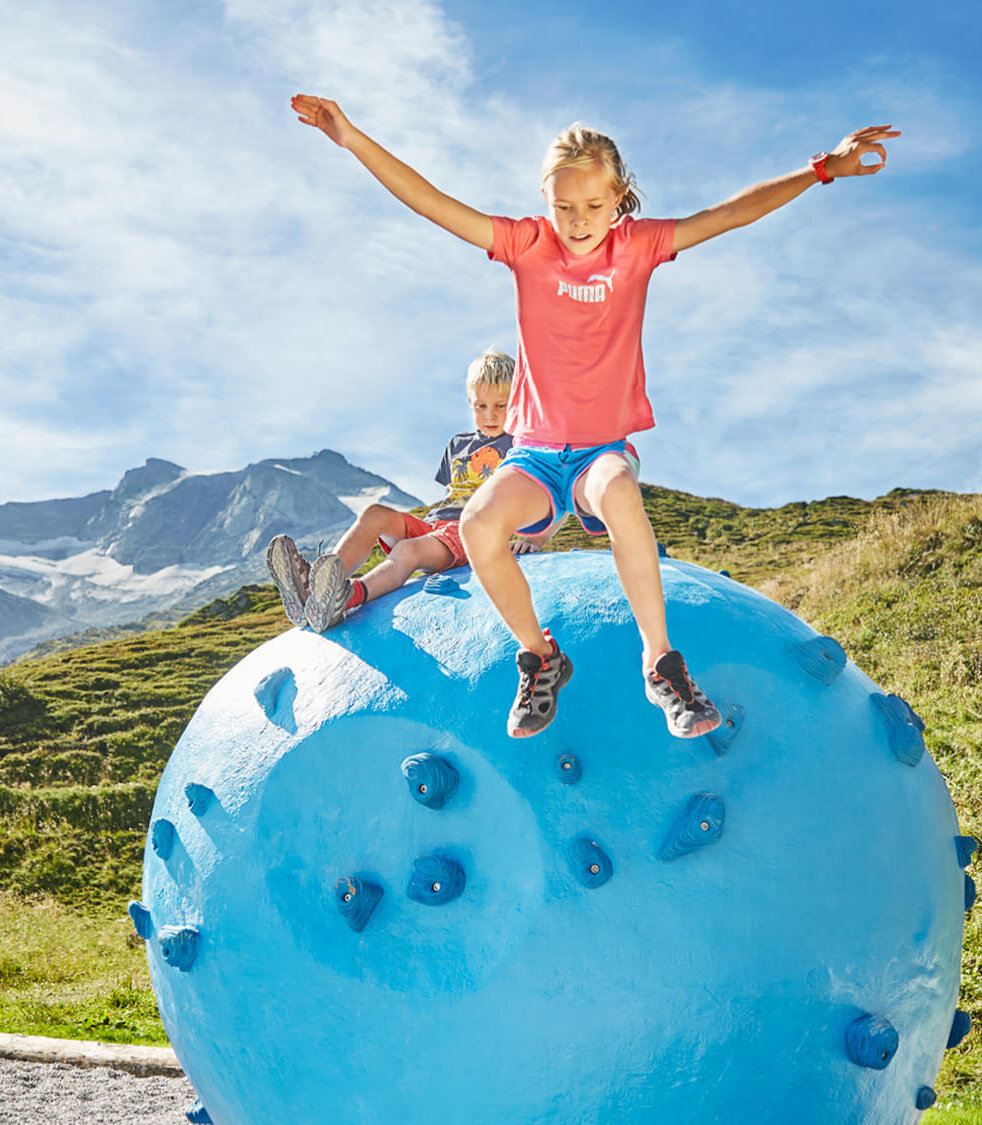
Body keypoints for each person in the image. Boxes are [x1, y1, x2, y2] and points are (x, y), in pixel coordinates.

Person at [290, 93, 899, 740]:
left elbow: (728, 214)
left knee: (619, 492)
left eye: (592, 206)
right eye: (564, 207)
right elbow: (433, 203)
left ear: (618, 201)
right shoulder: (526, 244)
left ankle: (661, 665)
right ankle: (540, 657)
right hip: (534, 454)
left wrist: (822, 169)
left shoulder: (638, 246)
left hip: (599, 450)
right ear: (545, 200)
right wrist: (352, 138)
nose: (577, 220)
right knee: (476, 524)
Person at [267, 349, 543, 631]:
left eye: (501, 405)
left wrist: (532, 538)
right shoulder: (458, 444)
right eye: (480, 406)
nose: (489, 415)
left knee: (408, 550)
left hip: (471, 534)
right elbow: (452, 495)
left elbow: (545, 492)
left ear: (517, 402)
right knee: (374, 514)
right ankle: (318, 589)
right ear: (470, 401)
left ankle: (346, 597)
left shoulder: (520, 445)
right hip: (435, 528)